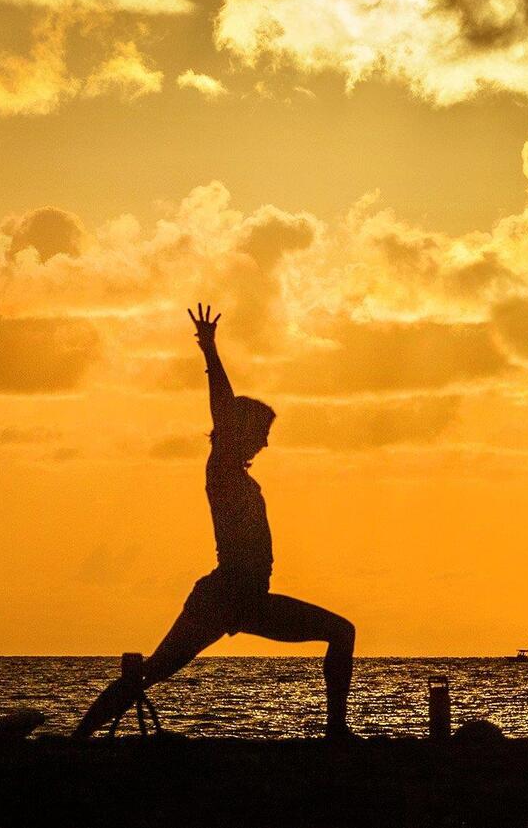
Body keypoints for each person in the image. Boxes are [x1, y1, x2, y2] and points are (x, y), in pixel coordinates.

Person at [73, 303, 357, 739]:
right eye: (261, 432)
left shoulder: (240, 477)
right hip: (225, 593)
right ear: (240, 431)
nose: (265, 442)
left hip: (248, 598)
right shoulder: (221, 469)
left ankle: (336, 729)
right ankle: (81, 735)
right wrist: (210, 351)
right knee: (152, 671)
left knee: (340, 632)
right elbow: (223, 409)